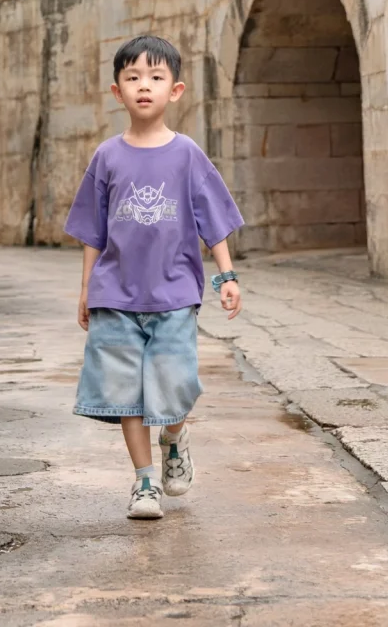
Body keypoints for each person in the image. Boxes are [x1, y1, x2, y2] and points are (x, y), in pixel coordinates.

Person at [65, 32, 243, 520]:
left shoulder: (186, 154)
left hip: (175, 294)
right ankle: (144, 483)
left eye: (156, 77)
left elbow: (214, 219)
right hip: (116, 294)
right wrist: (86, 289)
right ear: (117, 91)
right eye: (133, 77)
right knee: (126, 391)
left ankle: (174, 435)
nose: (145, 85)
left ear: (176, 90)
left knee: (176, 384)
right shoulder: (107, 157)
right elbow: (92, 231)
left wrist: (226, 276)